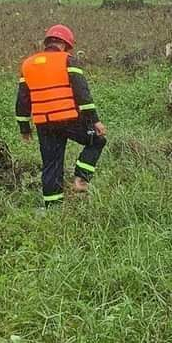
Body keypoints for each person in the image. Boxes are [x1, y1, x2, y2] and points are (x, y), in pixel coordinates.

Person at [16, 24, 106, 206]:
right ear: (64, 45)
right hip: (69, 119)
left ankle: (53, 207)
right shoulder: (68, 61)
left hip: (43, 123)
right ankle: (81, 179)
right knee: (97, 140)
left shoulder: (28, 64)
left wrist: (24, 127)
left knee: (51, 164)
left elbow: (22, 100)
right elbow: (82, 94)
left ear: (47, 43)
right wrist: (94, 120)